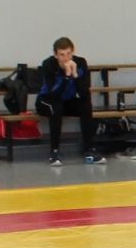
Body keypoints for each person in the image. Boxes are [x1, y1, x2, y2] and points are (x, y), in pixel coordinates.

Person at [38, 37, 102, 166]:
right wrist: (66, 76)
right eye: (62, 55)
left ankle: (89, 149)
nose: (66, 58)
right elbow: (54, 95)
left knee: (85, 106)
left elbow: (84, 94)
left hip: (67, 101)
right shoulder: (48, 64)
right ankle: (54, 152)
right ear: (56, 55)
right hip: (46, 101)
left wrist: (75, 75)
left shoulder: (80, 63)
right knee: (56, 107)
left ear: (72, 52)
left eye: (68, 54)